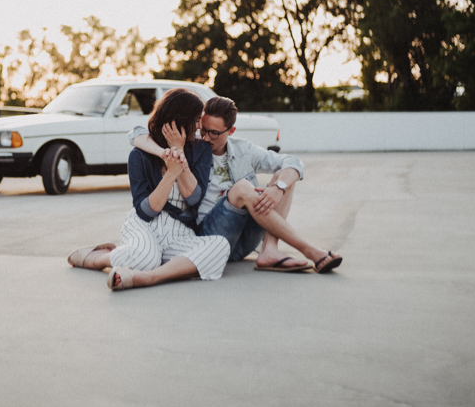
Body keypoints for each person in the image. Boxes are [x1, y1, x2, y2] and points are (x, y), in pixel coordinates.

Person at [131, 95, 342, 274]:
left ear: (230, 131)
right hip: (210, 235)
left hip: (245, 239)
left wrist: (278, 189)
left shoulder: (244, 149)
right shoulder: (193, 147)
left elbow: (293, 162)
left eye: (213, 133)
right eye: (202, 129)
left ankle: (269, 249)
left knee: (284, 176)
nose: (205, 137)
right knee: (242, 188)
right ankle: (310, 251)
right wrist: (168, 150)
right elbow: (137, 133)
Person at [67, 88, 230, 291]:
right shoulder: (140, 155)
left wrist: (179, 153)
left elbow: (194, 199)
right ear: (181, 119)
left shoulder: (200, 149)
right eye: (196, 120)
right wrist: (170, 174)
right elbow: (146, 211)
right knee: (145, 258)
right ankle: (98, 258)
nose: (199, 127)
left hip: (180, 230)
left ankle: (148, 278)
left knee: (220, 246)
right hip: (145, 224)